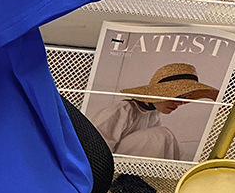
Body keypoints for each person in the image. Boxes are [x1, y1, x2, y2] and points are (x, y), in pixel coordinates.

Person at [90, 62, 220, 160]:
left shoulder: (153, 114)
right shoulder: (121, 111)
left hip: (136, 170)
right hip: (108, 169)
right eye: (176, 97)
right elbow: (93, 148)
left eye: (184, 98)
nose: (180, 103)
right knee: (162, 135)